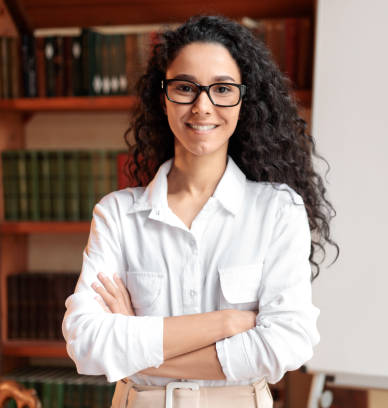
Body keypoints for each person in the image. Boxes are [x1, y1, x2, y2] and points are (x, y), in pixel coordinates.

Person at [62, 15, 338, 408]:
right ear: (164, 97)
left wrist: (135, 351)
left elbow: (287, 343)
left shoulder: (277, 210)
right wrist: (224, 323)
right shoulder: (117, 215)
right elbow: (85, 342)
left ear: (244, 100)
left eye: (222, 89)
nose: (202, 106)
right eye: (185, 88)